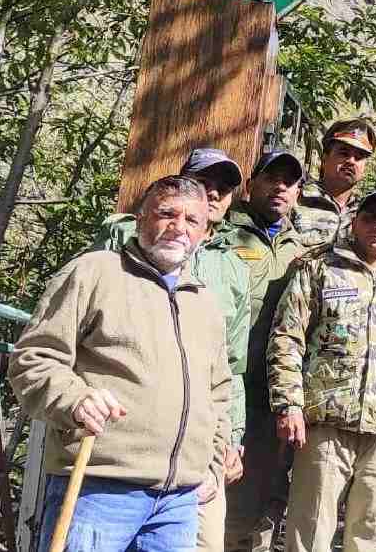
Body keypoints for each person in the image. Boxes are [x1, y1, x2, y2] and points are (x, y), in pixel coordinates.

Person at [9, 176, 231, 551]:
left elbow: (220, 391)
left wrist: (210, 464)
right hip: (97, 486)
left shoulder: (205, 303)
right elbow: (33, 358)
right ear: (141, 218)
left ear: (204, 231)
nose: (178, 228)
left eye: (192, 220)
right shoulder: (95, 272)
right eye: (167, 214)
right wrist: (74, 399)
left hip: (178, 501)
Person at [91, 148, 250, 551]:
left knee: (206, 542)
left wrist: (232, 436)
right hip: (120, 448)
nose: (214, 193)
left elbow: (232, 366)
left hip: (198, 447)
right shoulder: (124, 234)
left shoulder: (234, 267)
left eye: (224, 188)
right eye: (205, 182)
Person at [269, 189, 376, 552]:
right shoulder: (319, 267)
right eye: (370, 217)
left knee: (372, 533)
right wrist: (289, 405)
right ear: (355, 221)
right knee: (309, 531)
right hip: (325, 425)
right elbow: (286, 338)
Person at [224, 150, 311, 552]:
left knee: (266, 500)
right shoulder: (224, 232)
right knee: (224, 495)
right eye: (272, 177)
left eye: (290, 182)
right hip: (228, 384)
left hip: (275, 391)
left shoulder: (302, 248)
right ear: (252, 183)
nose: (280, 187)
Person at [292, 118, 376, 247]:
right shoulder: (296, 198)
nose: (351, 161)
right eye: (344, 153)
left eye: (359, 157)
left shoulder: (368, 213)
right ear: (325, 159)